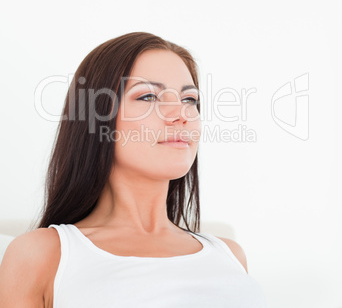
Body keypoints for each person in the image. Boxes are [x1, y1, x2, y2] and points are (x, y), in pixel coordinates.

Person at [0, 32, 268, 307]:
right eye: (149, 96)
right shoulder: (42, 255)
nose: (181, 113)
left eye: (189, 99)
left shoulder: (230, 255)